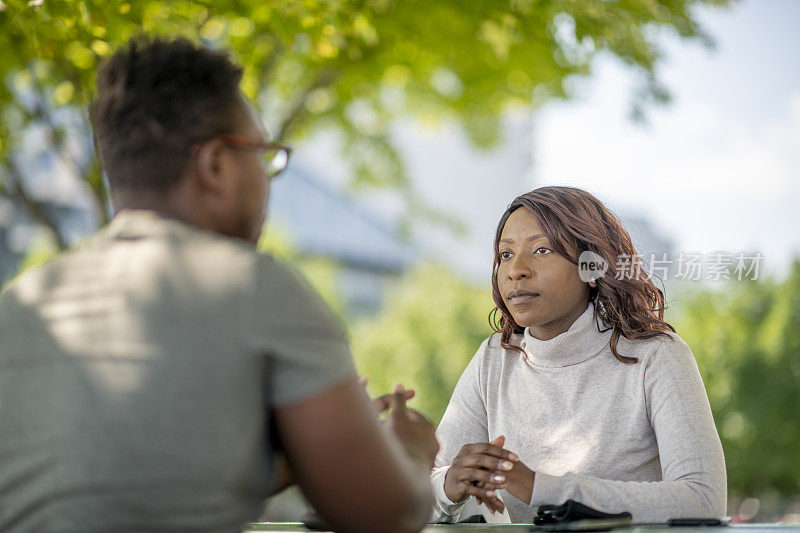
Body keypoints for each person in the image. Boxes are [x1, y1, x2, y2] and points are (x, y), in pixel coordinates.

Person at [0, 37, 437, 533]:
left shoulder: (20, 302)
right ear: (214, 165)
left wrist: (304, 454)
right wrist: (406, 445)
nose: (269, 178)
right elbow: (386, 515)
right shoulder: (254, 287)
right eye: (264, 155)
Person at [430, 186, 727, 523]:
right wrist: (447, 486)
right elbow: (413, 494)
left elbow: (703, 497)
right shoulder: (493, 358)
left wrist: (541, 488)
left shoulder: (657, 356)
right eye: (506, 254)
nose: (516, 270)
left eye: (541, 250)